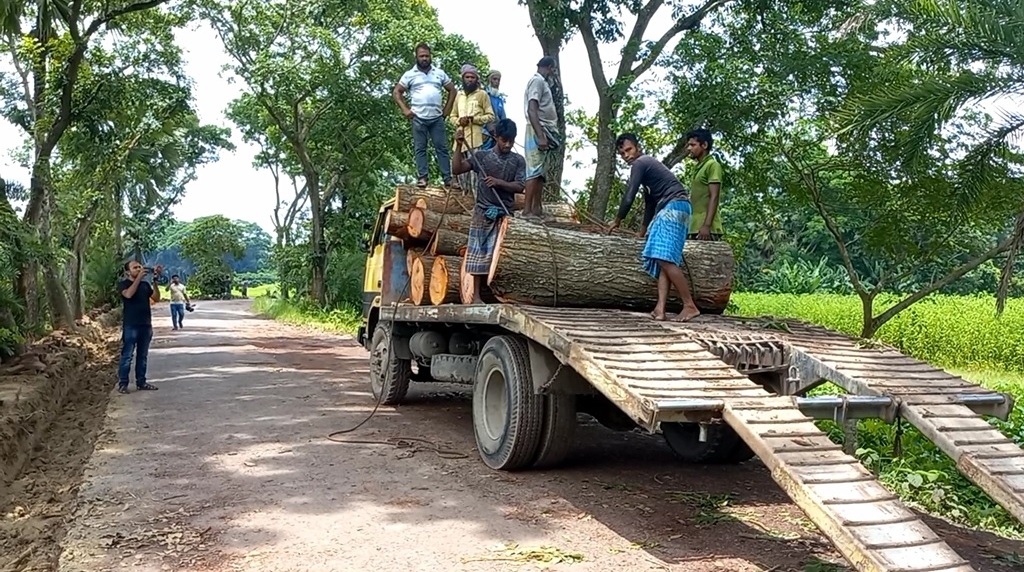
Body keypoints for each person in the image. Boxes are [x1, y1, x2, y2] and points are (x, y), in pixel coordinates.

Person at [607, 133, 701, 322]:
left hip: (674, 206)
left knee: (663, 258)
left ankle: (689, 305)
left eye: (629, 150)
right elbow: (650, 204)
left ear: (638, 148)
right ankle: (660, 308)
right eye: (622, 153)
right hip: (676, 207)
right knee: (662, 259)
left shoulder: (640, 163)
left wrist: (617, 220)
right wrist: (642, 232)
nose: (626, 155)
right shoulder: (647, 171)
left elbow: (629, 196)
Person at [451, 118, 526, 303]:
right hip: (482, 213)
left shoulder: (518, 160)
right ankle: (475, 296)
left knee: (502, 257)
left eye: (511, 141)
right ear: (496, 136)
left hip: (505, 214)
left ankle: (501, 296)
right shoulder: (482, 157)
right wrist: (459, 146)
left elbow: (520, 186)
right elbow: (457, 168)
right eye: (504, 140)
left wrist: (498, 182)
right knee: (479, 254)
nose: (508, 145)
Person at [393, 43, 458, 189]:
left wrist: (446, 110)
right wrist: (405, 110)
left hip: (436, 117)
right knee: (420, 148)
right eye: (421, 56)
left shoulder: (439, 73)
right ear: (416, 57)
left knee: (441, 147)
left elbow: (452, 90)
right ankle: (423, 178)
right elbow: (397, 92)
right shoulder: (410, 74)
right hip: (419, 117)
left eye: (427, 56)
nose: (424, 58)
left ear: (431, 56)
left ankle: (448, 178)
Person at [522, 56, 561, 219]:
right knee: (534, 170)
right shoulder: (536, 81)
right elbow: (532, 109)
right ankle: (527, 211)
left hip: (544, 129)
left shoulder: (543, 83)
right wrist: (540, 135)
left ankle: (537, 210)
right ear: (550, 67)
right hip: (538, 129)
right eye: (553, 69)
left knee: (541, 172)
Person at [449, 64, 495, 193]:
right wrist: (459, 121)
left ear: (476, 79)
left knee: (475, 174)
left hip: (475, 141)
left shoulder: (482, 94)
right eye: (467, 77)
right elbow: (452, 116)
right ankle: (465, 202)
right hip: (460, 141)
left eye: (472, 77)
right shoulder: (459, 96)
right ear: (463, 79)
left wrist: (474, 120)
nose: (470, 80)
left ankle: (478, 203)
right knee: (461, 176)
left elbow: (490, 116)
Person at [117, 261, 161, 393]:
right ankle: (123, 384)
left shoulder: (145, 285)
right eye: (135, 268)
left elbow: (156, 298)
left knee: (142, 356)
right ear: (127, 272)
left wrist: (155, 281)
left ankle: (141, 382)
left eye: (139, 267)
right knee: (127, 356)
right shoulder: (123, 284)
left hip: (145, 325)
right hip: (131, 325)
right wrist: (139, 278)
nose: (138, 269)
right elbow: (128, 294)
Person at [685, 128, 725, 240]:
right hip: (694, 227)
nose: (689, 148)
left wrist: (707, 226)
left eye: (693, 145)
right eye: (688, 145)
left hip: (706, 230)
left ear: (704, 145)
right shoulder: (698, 168)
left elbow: (714, 196)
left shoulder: (712, 165)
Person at [481, 70, 507, 151]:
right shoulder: (483, 95)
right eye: (494, 79)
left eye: (498, 80)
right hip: (485, 134)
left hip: (497, 136)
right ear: (489, 80)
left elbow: (503, 118)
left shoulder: (500, 99)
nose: (497, 82)